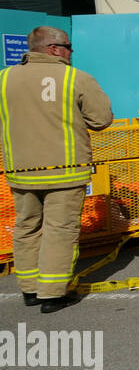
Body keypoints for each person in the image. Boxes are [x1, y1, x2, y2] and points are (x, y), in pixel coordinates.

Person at [0, 27, 113, 312]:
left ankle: (29, 289)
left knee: (27, 227)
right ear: (53, 49)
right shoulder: (76, 78)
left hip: (20, 170)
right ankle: (52, 292)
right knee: (60, 229)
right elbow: (101, 120)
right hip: (65, 169)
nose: (71, 51)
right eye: (68, 46)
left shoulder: (4, 78)